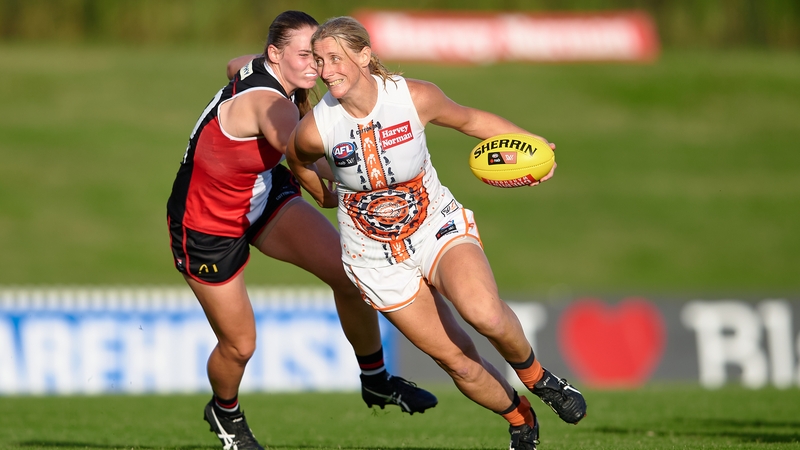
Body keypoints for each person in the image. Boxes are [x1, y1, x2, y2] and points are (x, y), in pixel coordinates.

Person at [286, 16, 587, 450]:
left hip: (435, 226)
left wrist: (534, 147)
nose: (326, 70)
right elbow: (296, 159)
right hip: (373, 257)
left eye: (335, 58)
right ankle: (519, 418)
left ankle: (539, 379)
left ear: (365, 56)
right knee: (457, 360)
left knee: (484, 313)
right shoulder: (317, 127)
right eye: (319, 61)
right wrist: (322, 194)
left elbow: (471, 120)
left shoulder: (414, 97)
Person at [166, 11, 437, 450]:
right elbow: (306, 156)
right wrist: (358, 189)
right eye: (306, 56)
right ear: (275, 54)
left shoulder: (262, 67)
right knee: (240, 345)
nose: (319, 66)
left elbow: (235, 64)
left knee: (348, 276)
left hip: (261, 194)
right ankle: (224, 410)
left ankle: (375, 380)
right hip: (207, 224)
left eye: (321, 55)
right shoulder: (271, 106)